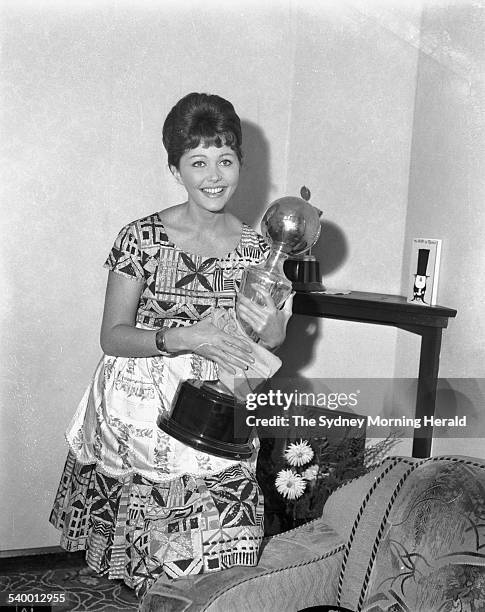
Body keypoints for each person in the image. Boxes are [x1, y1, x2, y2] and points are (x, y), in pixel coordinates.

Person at [49, 92, 294, 597]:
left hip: (217, 402)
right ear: (175, 168)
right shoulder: (139, 238)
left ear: (241, 165)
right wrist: (185, 338)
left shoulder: (258, 249)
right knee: (149, 563)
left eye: (225, 160)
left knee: (218, 548)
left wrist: (270, 324)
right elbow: (112, 336)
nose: (213, 175)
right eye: (197, 161)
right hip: (141, 412)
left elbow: (272, 338)